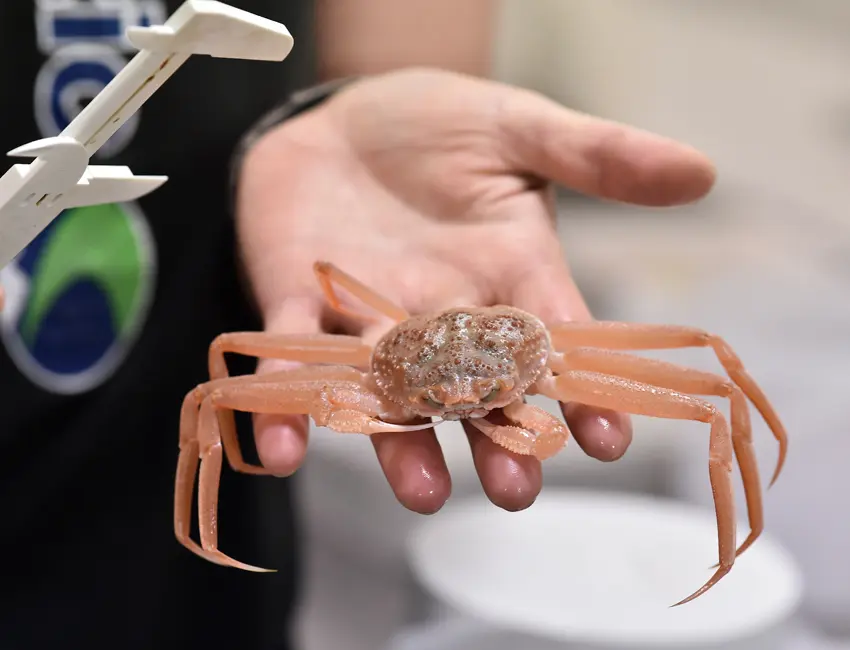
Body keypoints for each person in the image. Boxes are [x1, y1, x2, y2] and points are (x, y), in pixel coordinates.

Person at [0, 0, 716, 648]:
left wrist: (385, 88)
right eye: (441, 398)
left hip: (226, 236)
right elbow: (218, 384)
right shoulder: (364, 377)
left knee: (710, 380)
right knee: (212, 397)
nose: (460, 404)